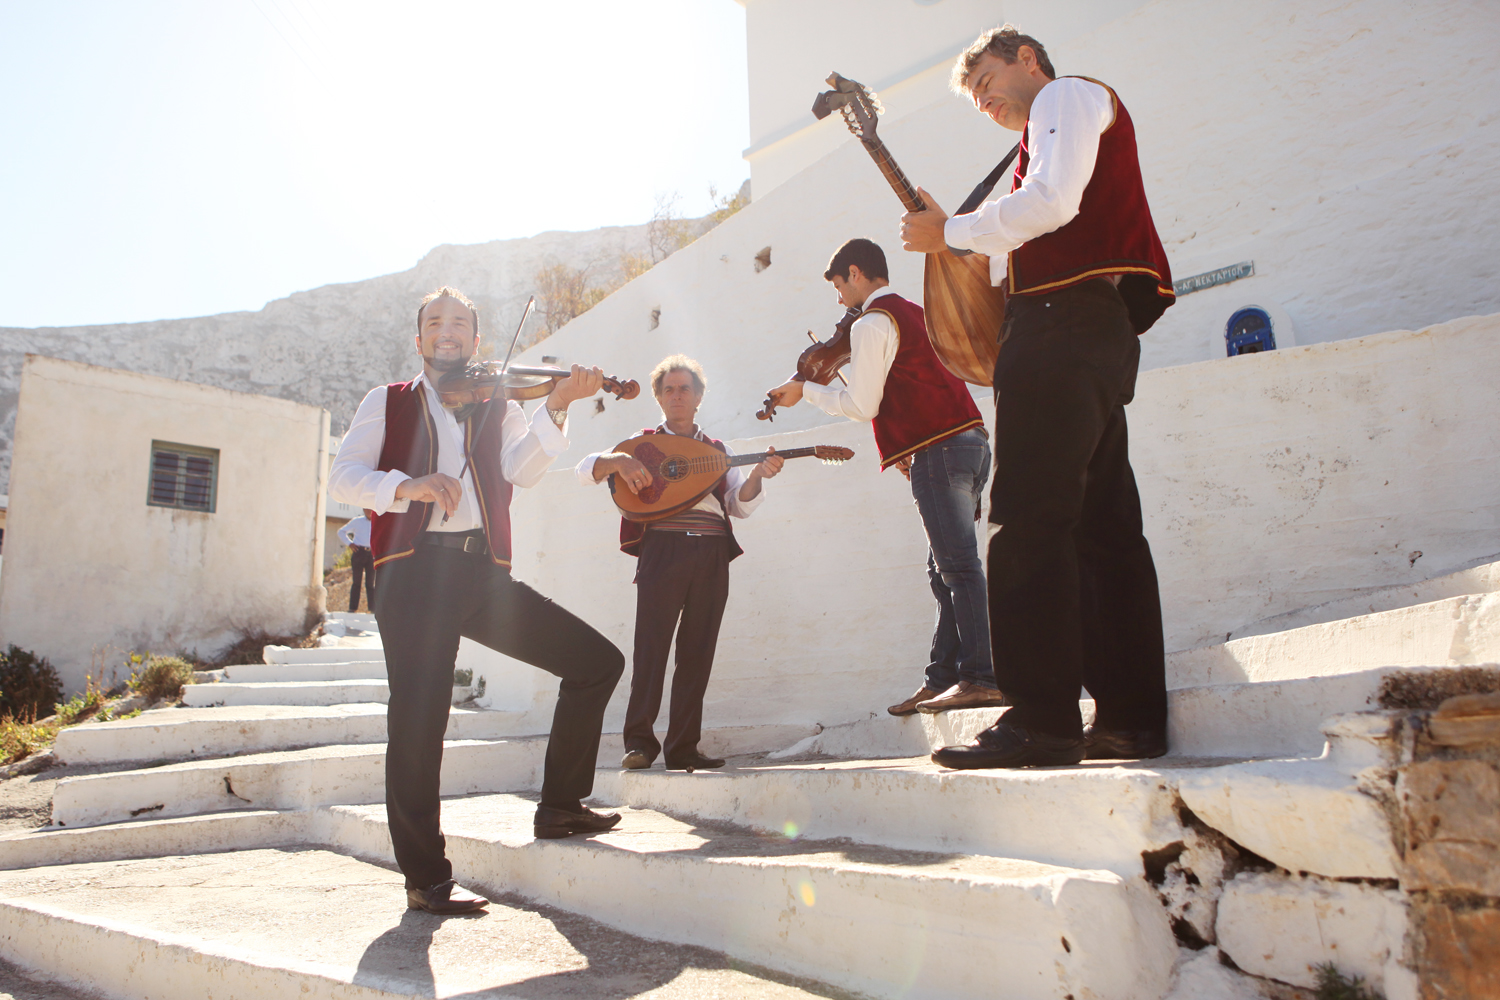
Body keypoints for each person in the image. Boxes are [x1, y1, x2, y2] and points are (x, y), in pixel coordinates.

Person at [899, 26, 1175, 768]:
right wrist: (954, 244)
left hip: (1061, 330)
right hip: (1089, 330)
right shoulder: (1045, 137)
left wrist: (950, 231)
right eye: (973, 95)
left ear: (1028, 59)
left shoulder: (1068, 95)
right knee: (1103, 529)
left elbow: (1050, 203)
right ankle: (1130, 719)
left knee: (1026, 519)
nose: (983, 98)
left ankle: (1043, 720)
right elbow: (1028, 237)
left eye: (987, 77)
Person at [329, 286, 626, 915]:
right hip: (412, 573)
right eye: (434, 322)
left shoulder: (496, 400)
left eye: (459, 323)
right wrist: (406, 485)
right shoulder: (387, 403)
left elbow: (523, 468)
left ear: (476, 340)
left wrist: (561, 406)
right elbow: (342, 477)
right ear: (419, 340)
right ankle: (426, 878)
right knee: (419, 720)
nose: (446, 331)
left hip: (480, 572)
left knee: (596, 662)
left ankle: (561, 807)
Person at [763, 239, 1005, 716]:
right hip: (970, 443)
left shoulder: (872, 323)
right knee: (944, 570)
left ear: (855, 273)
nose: (838, 301)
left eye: (837, 286)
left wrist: (806, 391)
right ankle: (942, 679)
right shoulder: (913, 312)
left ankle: (981, 677)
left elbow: (861, 406)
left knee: (957, 568)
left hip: (941, 450)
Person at [578, 355, 782, 771]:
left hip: (710, 554)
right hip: (663, 551)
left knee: (697, 652)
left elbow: (738, 508)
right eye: (668, 389)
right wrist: (618, 461)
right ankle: (639, 744)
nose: (676, 395)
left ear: (699, 397)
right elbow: (586, 469)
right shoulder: (641, 443)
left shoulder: (717, 451)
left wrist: (759, 474)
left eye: (684, 388)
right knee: (650, 649)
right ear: (657, 397)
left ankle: (684, 747)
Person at [337, 514, 375, 612]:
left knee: (370, 583)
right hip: (359, 552)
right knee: (357, 581)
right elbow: (341, 531)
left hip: (372, 553)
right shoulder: (357, 521)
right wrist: (349, 543)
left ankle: (373, 608)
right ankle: (353, 608)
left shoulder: (377, 520)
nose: (369, 511)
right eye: (366, 508)